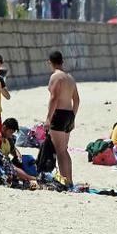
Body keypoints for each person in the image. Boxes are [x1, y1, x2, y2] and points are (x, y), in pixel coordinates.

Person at [44, 51, 79, 186]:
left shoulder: (55, 77)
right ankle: (69, 179)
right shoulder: (70, 78)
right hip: (69, 114)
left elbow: (54, 98)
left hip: (59, 114)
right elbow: (76, 100)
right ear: (62, 61)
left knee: (60, 150)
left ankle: (65, 180)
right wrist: (73, 116)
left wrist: (48, 118)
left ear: (50, 62)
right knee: (64, 149)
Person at [0, 118, 36, 182]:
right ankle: (31, 178)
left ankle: (34, 174)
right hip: (0, 163)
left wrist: (18, 156)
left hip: (7, 162)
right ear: (4, 128)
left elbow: (13, 150)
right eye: (10, 132)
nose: (11, 134)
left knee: (28, 159)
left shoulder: (8, 139)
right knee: (12, 168)